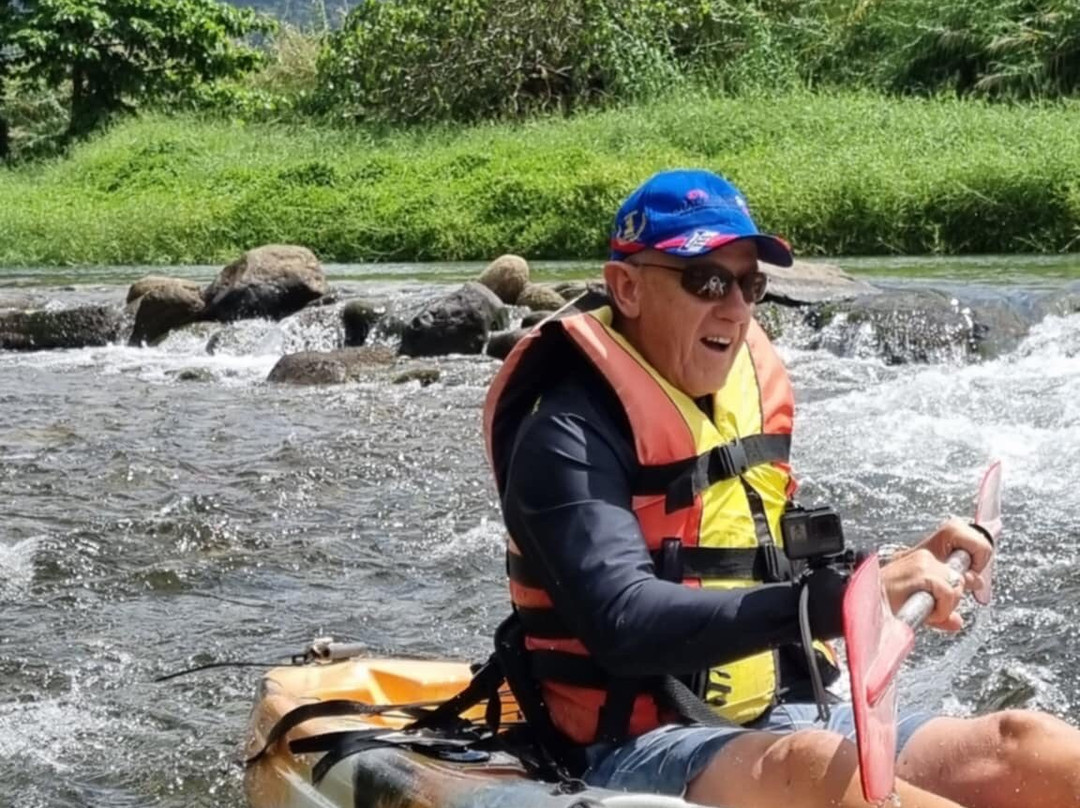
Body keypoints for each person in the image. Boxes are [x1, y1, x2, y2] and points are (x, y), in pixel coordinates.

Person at [482, 168, 1080, 808]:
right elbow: (624, 621)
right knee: (814, 768)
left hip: (780, 714)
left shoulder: (731, 402)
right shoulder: (565, 433)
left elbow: (764, 566)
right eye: (707, 281)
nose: (736, 308)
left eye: (750, 284)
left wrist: (894, 566)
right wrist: (842, 602)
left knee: (1025, 743)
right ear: (626, 287)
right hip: (629, 744)